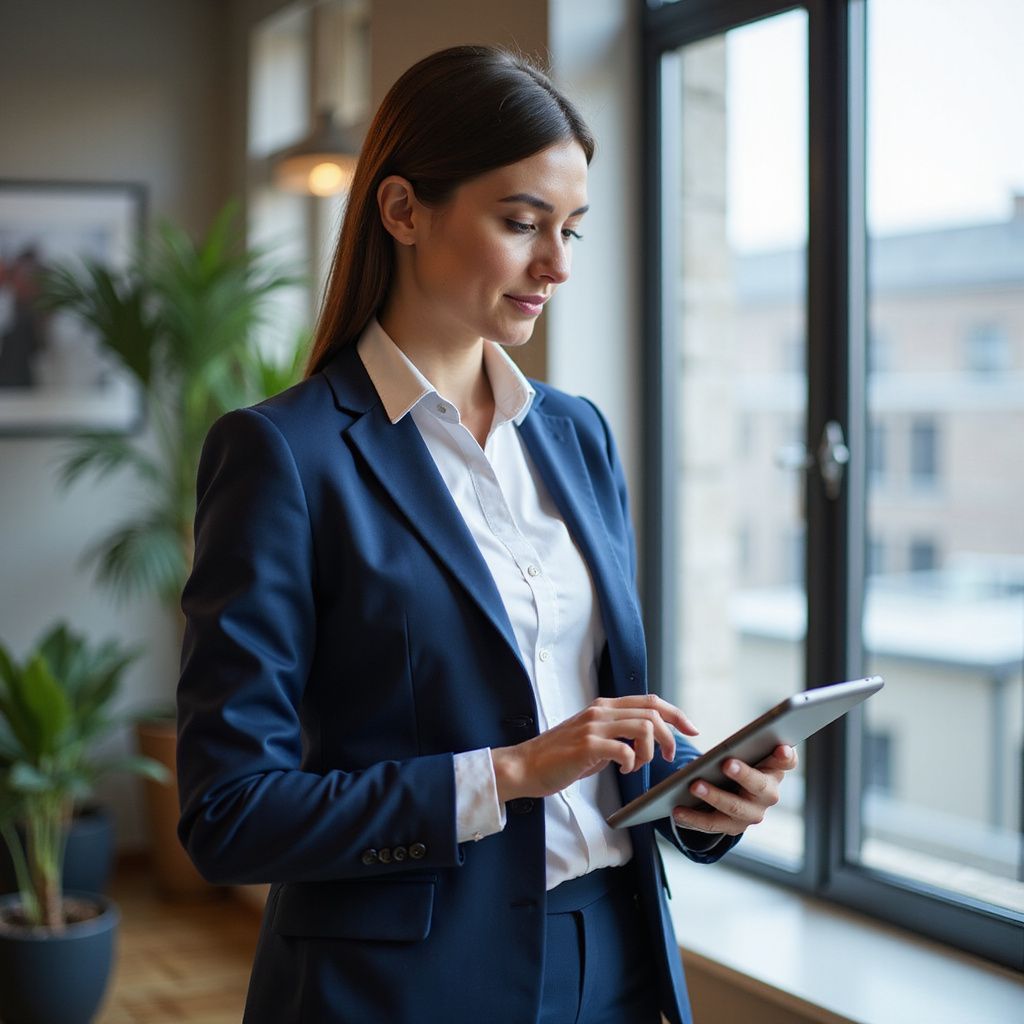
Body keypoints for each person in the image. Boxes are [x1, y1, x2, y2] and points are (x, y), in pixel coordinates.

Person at [176, 45, 798, 1024]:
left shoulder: (575, 434)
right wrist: (507, 774)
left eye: (571, 231)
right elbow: (230, 814)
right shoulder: (282, 456)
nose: (555, 264)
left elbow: (581, 716)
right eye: (520, 223)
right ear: (403, 211)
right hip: (404, 989)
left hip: (622, 957)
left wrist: (692, 794)